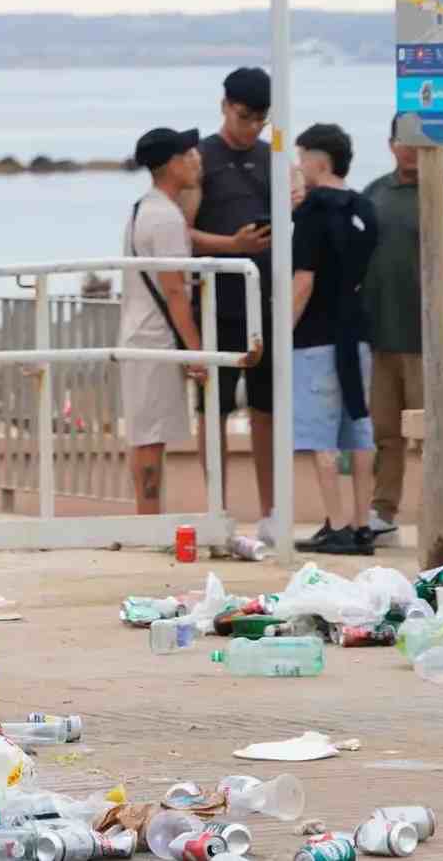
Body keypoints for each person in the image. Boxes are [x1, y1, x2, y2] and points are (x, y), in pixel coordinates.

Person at [361, 113, 443, 543]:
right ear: (391, 143)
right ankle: (382, 513)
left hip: (428, 341)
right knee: (385, 432)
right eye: (403, 140)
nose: (409, 148)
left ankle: (440, 516)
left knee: (433, 435)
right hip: (380, 338)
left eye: (417, 139)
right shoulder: (374, 193)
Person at [189, 68, 280, 542]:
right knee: (214, 409)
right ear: (225, 106)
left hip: (266, 302)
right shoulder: (201, 158)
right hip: (216, 302)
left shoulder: (273, 159)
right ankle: (216, 508)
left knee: (267, 408)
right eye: (245, 117)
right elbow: (180, 231)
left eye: (261, 120)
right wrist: (231, 244)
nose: (251, 128)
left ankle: (271, 511)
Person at [286, 124, 380, 556]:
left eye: (302, 158)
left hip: (317, 338)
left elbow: (303, 282)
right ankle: (362, 525)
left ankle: (336, 525)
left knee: (322, 437)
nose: (299, 166)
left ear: (319, 161)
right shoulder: (365, 208)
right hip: (357, 332)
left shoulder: (312, 213)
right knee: (358, 429)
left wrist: (276, 331)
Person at [119, 128, 209, 515]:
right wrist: (196, 351)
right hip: (155, 340)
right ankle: (148, 520)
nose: (194, 162)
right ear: (172, 163)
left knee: (145, 435)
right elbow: (175, 291)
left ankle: (147, 517)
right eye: (188, 155)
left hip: (138, 333)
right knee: (150, 438)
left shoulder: (144, 208)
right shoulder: (166, 218)